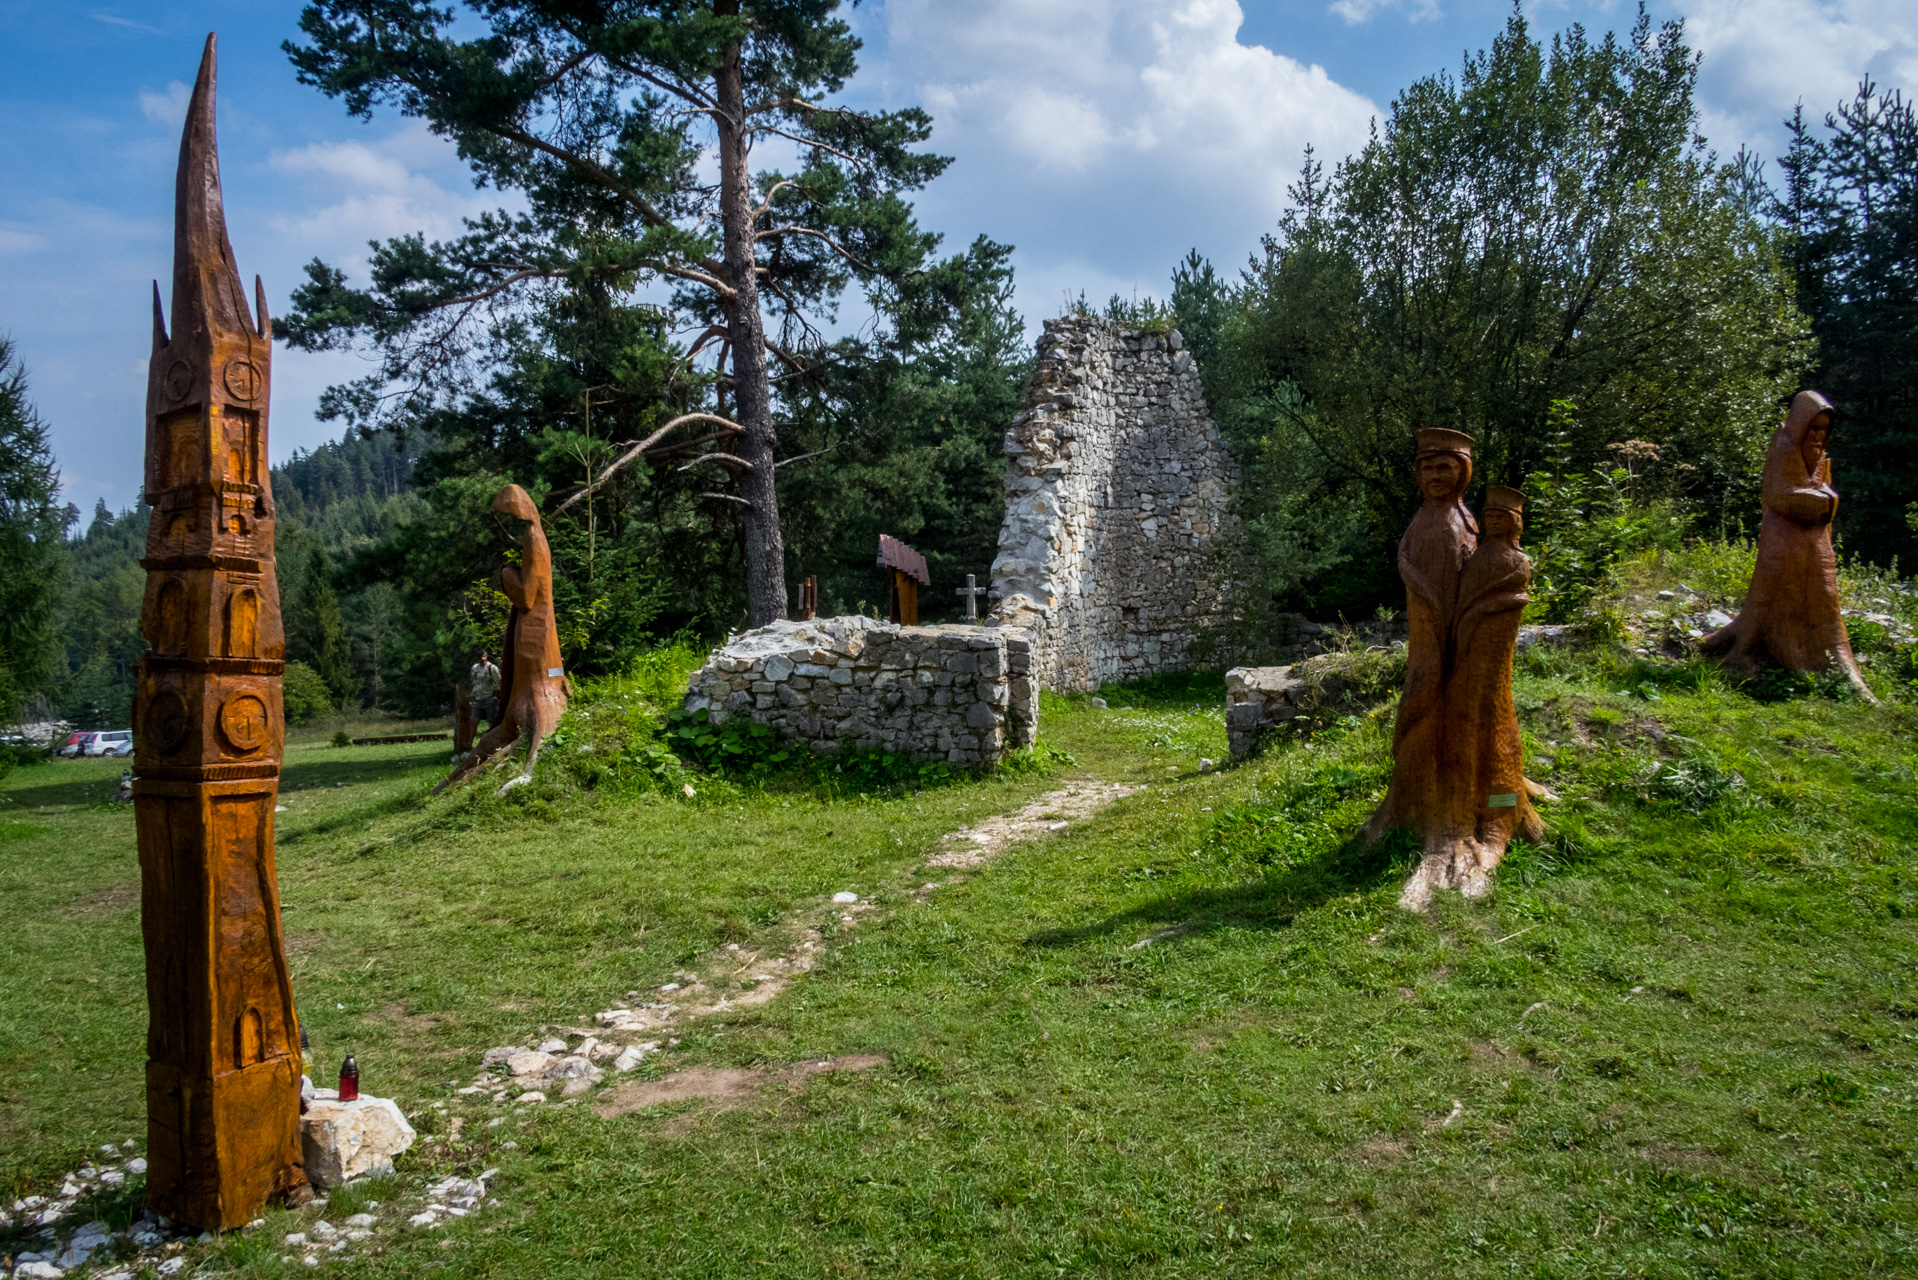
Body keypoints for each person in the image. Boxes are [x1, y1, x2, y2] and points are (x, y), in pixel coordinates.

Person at [1698, 390, 1874, 701]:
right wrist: (1813, 501)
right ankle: (1756, 652)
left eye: (1824, 430)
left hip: (1815, 545)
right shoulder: (1783, 447)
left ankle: (1830, 664)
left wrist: (1824, 500)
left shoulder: (1820, 461)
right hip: (1781, 540)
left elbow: (1824, 488)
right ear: (1800, 424)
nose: (1818, 437)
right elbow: (1776, 494)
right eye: (1813, 428)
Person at [1365, 427, 1478, 847]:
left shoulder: (1459, 519)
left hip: (1447, 635)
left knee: (1429, 693)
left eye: (1445, 466)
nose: (1435, 475)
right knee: (1419, 692)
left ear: (1462, 471)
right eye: (1427, 467)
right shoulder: (1426, 517)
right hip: (1425, 633)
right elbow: (1409, 557)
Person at [470, 649, 502, 729]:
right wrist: (471, 697)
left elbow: (498, 683)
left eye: (484, 656)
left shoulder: (492, 668)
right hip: (477, 699)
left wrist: (496, 697)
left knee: (492, 721)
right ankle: (469, 741)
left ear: (486, 657)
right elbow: (473, 683)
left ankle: (493, 739)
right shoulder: (474, 668)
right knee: (473, 721)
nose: (482, 659)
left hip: (489, 698)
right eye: (480, 657)